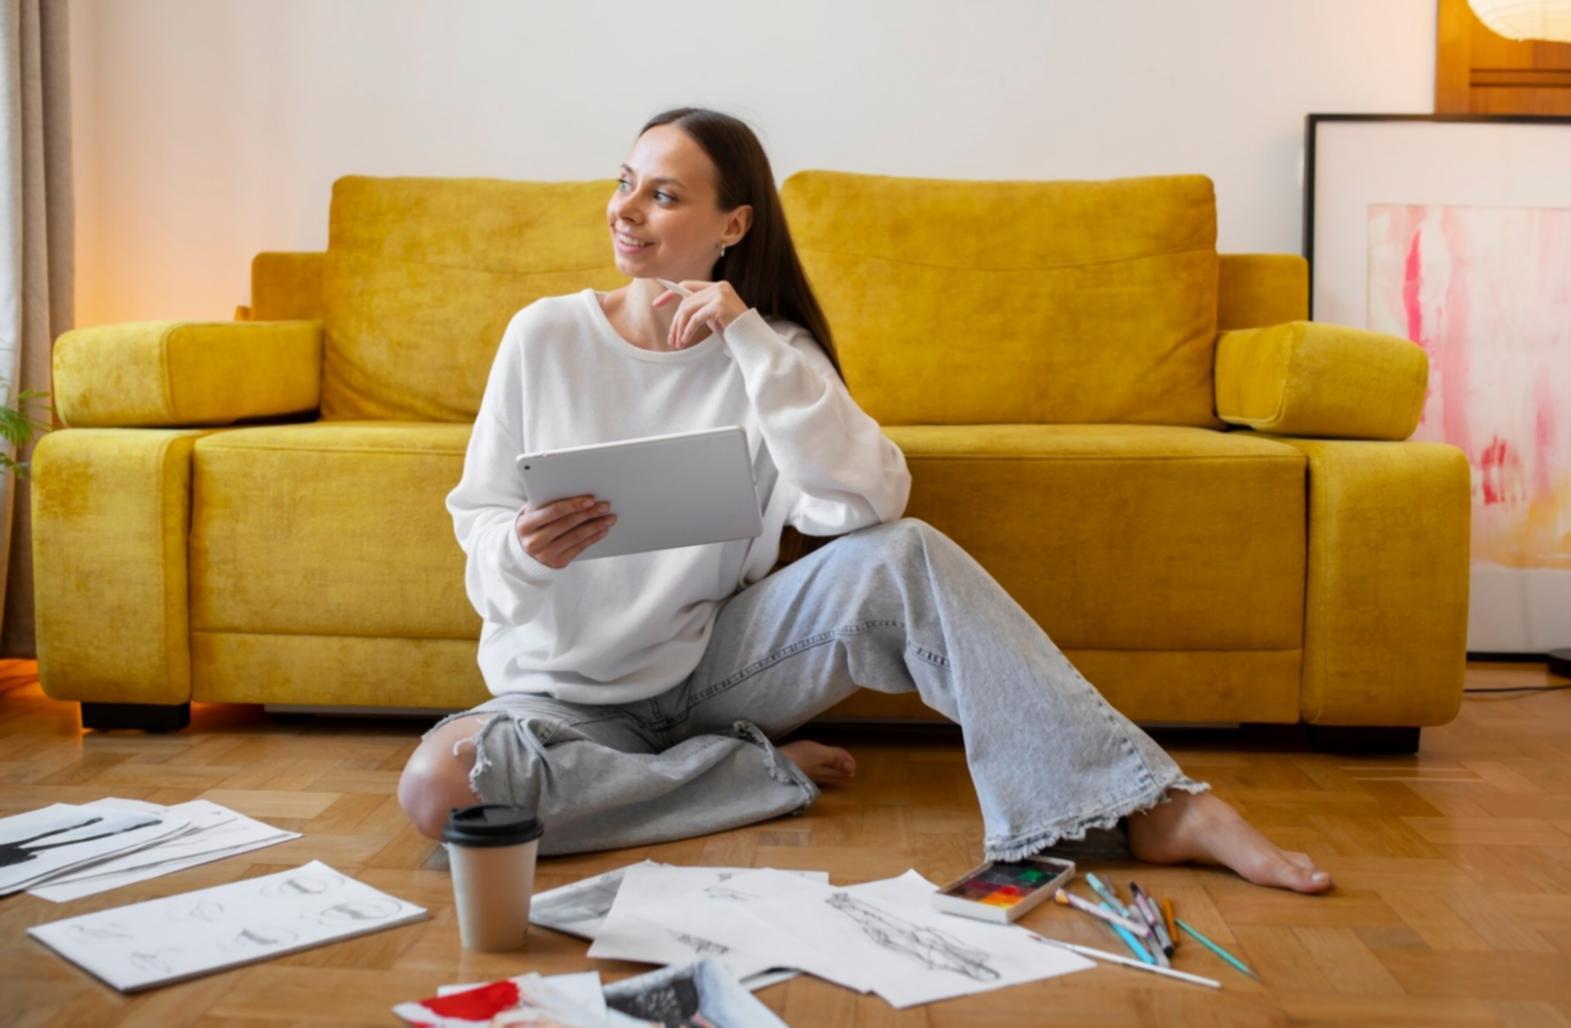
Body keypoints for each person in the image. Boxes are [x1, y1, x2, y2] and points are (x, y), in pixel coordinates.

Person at [396, 107, 1334, 895]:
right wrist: (521, 550)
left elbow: (865, 507)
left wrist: (753, 344)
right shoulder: (545, 336)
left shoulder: (776, 355)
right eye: (625, 181)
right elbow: (477, 512)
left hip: (714, 666)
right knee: (442, 790)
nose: (626, 211)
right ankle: (745, 776)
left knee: (907, 552)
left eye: (663, 194)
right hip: (564, 700)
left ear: (733, 228)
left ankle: (1157, 805)